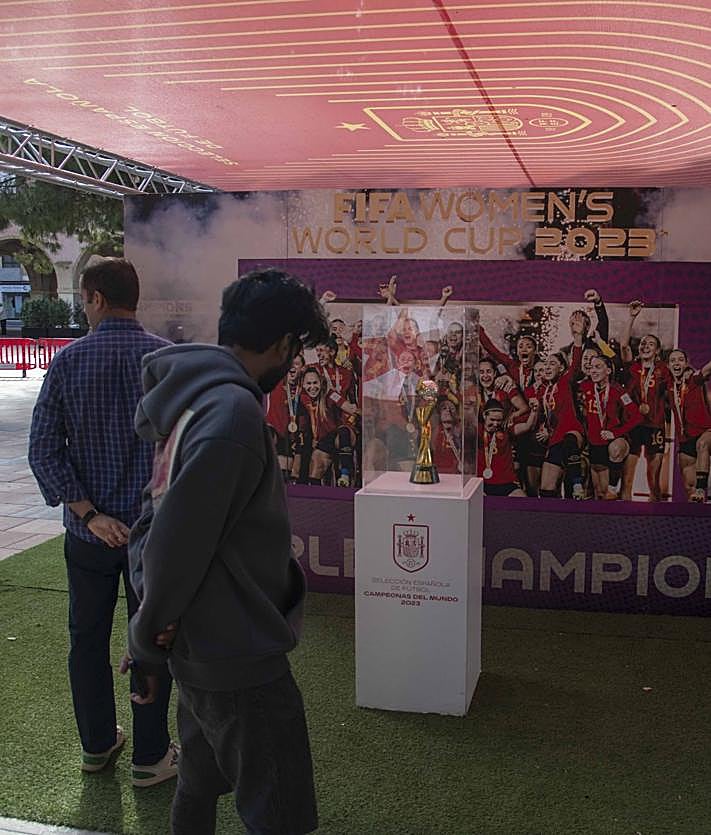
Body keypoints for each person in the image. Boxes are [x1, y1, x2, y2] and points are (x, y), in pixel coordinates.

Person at [127, 267, 326, 835]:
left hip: (202, 643)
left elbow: (153, 518)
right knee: (282, 813)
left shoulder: (197, 401)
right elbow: (173, 538)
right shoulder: (233, 413)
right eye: (296, 351)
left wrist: (150, 624)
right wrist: (146, 636)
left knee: (198, 783)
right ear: (285, 345)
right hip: (235, 655)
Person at [27, 258, 176, 785]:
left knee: (86, 640)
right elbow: (188, 456)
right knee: (153, 641)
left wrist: (89, 515)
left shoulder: (68, 362)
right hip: (153, 538)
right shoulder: (167, 360)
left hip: (88, 536)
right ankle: (151, 757)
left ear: (93, 298)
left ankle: (96, 745)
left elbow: (43, 450)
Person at [620, 300, 673, 501]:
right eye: (643, 343)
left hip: (654, 426)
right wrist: (632, 317)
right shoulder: (632, 368)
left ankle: (654, 521)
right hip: (633, 426)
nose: (645, 345)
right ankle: (622, 521)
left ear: (658, 351)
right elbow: (624, 345)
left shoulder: (664, 370)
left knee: (653, 481)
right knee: (627, 480)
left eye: (650, 343)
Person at [578, 356, 641, 500]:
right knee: (599, 493)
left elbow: (637, 416)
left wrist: (616, 433)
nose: (593, 370)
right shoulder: (585, 387)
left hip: (614, 441)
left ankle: (614, 486)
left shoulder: (618, 391)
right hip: (595, 443)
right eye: (592, 367)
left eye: (598, 367)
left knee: (608, 492)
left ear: (608, 371)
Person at [667, 349, 711, 502]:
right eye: (673, 360)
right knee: (689, 489)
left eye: (680, 360)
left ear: (686, 364)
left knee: (703, 444)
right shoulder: (668, 386)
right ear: (668, 365)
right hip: (685, 440)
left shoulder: (694, 379)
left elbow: (708, 369)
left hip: (706, 431)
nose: (676, 363)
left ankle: (701, 488)